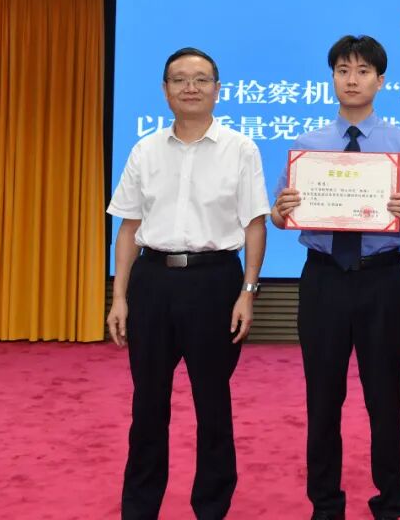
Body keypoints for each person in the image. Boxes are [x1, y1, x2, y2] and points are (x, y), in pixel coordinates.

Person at [271, 35, 400, 520]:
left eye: (363, 71)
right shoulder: (308, 146)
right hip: (322, 280)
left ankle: (391, 501)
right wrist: (283, 211)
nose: (352, 79)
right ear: (332, 78)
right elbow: (280, 215)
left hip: (381, 280)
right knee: (322, 398)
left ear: (380, 81)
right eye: (343, 70)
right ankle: (326, 504)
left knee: (385, 398)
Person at [106, 47, 271, 520]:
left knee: (212, 404)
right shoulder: (145, 150)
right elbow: (129, 228)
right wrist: (119, 297)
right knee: (147, 405)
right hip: (152, 282)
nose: (190, 87)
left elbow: (255, 225)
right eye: (179, 79)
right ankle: (140, 508)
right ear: (165, 91)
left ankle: (211, 507)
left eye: (201, 79)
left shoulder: (241, 148)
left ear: (218, 89)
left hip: (214, 283)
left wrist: (247, 292)